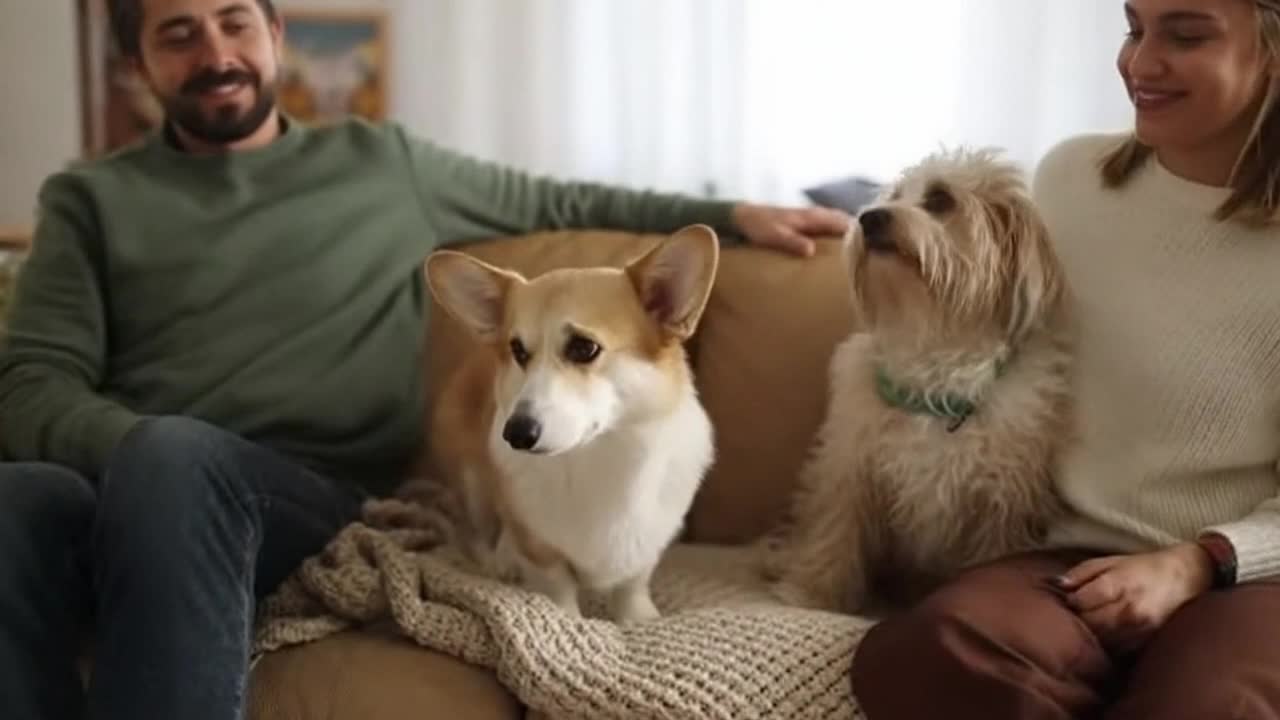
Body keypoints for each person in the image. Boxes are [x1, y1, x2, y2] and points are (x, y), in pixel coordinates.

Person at [0, 1, 850, 719]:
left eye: (233, 22)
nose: (216, 53)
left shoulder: (381, 163)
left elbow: (565, 198)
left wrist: (731, 212)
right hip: (138, 474)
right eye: (178, 34)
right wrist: (142, 455)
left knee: (176, 459)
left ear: (273, 33)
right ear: (134, 65)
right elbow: (32, 384)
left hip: (300, 489)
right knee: (18, 495)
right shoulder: (90, 200)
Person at [851, 0, 1280, 717]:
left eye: (1185, 34)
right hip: (1064, 561)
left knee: (1210, 704)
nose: (1140, 64)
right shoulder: (1070, 179)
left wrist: (1194, 564)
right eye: (1134, 27)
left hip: (1243, 578)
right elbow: (964, 308)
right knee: (929, 650)